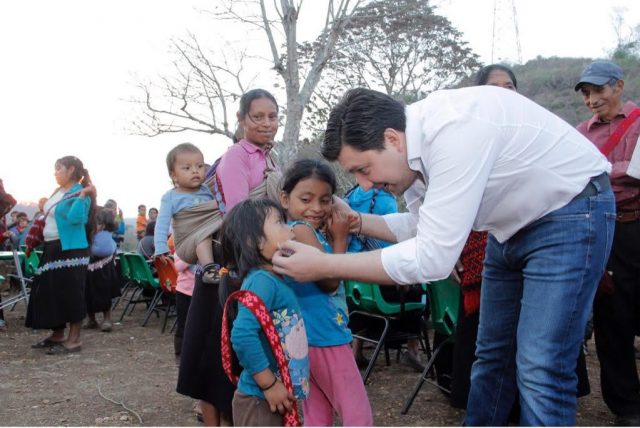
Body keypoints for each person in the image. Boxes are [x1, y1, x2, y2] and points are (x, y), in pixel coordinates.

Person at [272, 86, 615, 425]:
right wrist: (358, 221)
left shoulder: (454, 134)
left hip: (570, 211)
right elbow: (424, 226)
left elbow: (432, 257)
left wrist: (325, 264)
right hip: (508, 228)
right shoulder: (413, 158)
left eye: (364, 169)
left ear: (392, 139)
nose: (364, 185)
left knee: (541, 363)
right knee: (491, 355)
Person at [177, 88, 281, 426]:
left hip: (254, 258)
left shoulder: (270, 157)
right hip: (232, 260)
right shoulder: (238, 156)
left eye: (273, 116)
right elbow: (239, 215)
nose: (267, 123)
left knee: (239, 349)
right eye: (258, 117)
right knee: (214, 349)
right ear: (241, 120)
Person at [279, 159, 373, 425]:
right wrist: (340, 239)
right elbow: (329, 281)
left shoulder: (296, 231)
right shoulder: (302, 230)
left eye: (325, 200)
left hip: (306, 338)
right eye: (306, 199)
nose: (316, 208)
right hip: (326, 336)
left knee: (318, 412)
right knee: (357, 413)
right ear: (285, 198)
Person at [575, 59, 640, 425]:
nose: (591, 100)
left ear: (617, 86)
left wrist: (599, 171)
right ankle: (627, 406)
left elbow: (637, 173)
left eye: (597, 90)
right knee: (612, 318)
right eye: (586, 94)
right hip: (604, 230)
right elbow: (575, 177)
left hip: (636, 225)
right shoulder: (581, 132)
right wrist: (621, 171)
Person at [220, 198, 309, 426]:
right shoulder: (262, 281)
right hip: (260, 399)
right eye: (279, 223)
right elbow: (242, 335)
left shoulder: (275, 278)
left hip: (270, 395)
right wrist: (269, 384)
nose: (290, 230)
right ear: (254, 241)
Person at [345, 184, 426, 372]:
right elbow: (393, 246)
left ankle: (356, 350)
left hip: (354, 283)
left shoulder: (351, 196)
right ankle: (413, 348)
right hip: (380, 283)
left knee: (362, 302)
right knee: (418, 291)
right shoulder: (386, 200)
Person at [25, 156, 96, 354]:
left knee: (71, 292)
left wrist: (82, 196)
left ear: (71, 169)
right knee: (50, 290)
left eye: (58, 169)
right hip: (52, 247)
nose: (55, 173)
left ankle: (74, 340)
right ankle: (57, 334)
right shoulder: (58, 191)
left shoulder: (81, 193)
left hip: (71, 249)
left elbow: (75, 219)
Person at [154, 143, 219, 283]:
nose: (195, 171)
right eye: (187, 168)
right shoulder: (170, 197)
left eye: (199, 166)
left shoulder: (206, 190)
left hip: (212, 231)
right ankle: (209, 270)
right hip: (190, 238)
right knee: (202, 237)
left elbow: (214, 212)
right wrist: (161, 248)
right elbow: (161, 224)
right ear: (173, 175)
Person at [84, 207, 120, 333]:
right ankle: (91, 319)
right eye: (96, 223)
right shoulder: (90, 233)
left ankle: (107, 319)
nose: (98, 226)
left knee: (105, 293)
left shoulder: (106, 234)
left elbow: (111, 248)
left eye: (100, 223)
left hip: (105, 267)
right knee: (88, 292)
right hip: (89, 264)